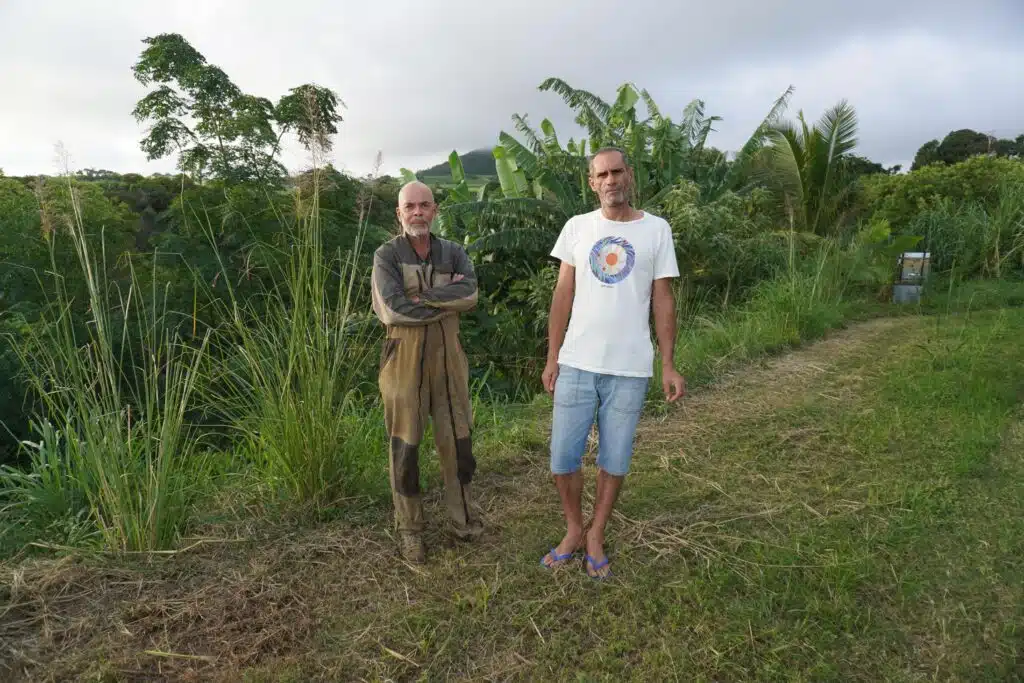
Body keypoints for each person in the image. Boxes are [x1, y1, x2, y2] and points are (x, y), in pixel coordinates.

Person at [540, 147, 686, 579]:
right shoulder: (577, 228)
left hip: (629, 367)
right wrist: (552, 356)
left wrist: (668, 364)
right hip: (577, 362)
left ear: (629, 175)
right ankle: (572, 529)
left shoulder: (656, 230)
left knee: (615, 459)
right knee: (563, 459)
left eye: (616, 171)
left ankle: (596, 532)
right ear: (592, 182)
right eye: (601, 174)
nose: (610, 180)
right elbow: (562, 295)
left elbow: (663, 298)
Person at [370, 180, 483, 564]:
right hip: (402, 360)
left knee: (458, 439)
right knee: (406, 445)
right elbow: (392, 309)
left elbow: (470, 293)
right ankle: (410, 530)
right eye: (410, 207)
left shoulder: (453, 251)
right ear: (399, 213)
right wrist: (443, 301)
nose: (418, 212)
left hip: (449, 357)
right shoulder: (386, 255)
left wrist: (421, 297)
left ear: (434, 210)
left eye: (425, 205)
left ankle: (463, 520)